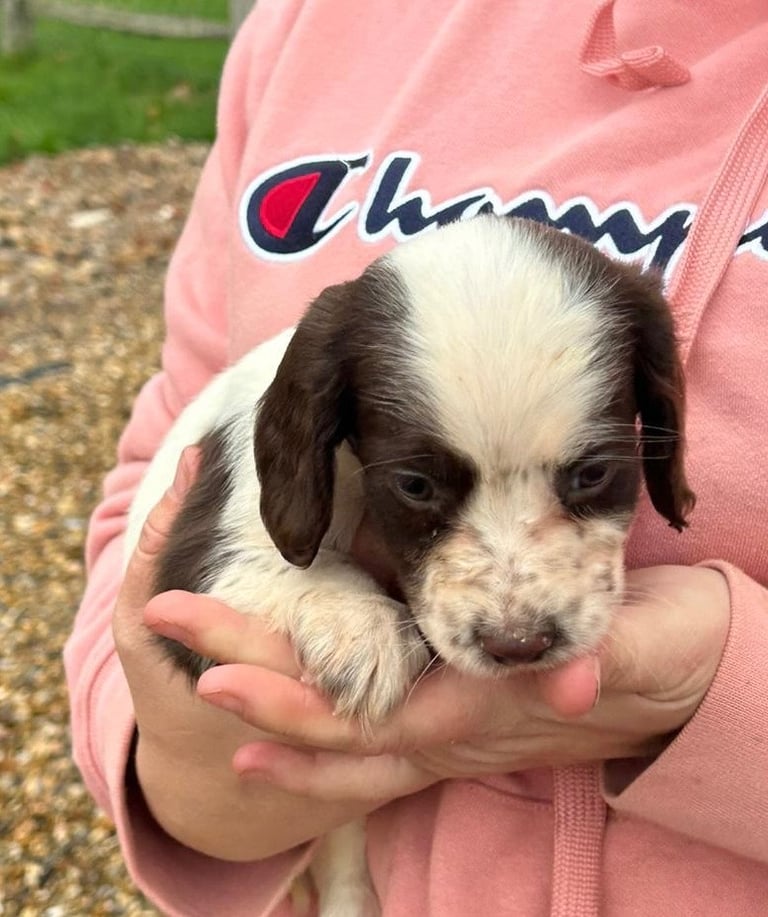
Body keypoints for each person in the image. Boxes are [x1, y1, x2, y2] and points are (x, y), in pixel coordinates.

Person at [65, 1, 768, 914]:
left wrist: (723, 689)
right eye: (419, 486)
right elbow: (159, 506)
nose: (518, 611)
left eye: (590, 476)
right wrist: (190, 769)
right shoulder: (312, 28)